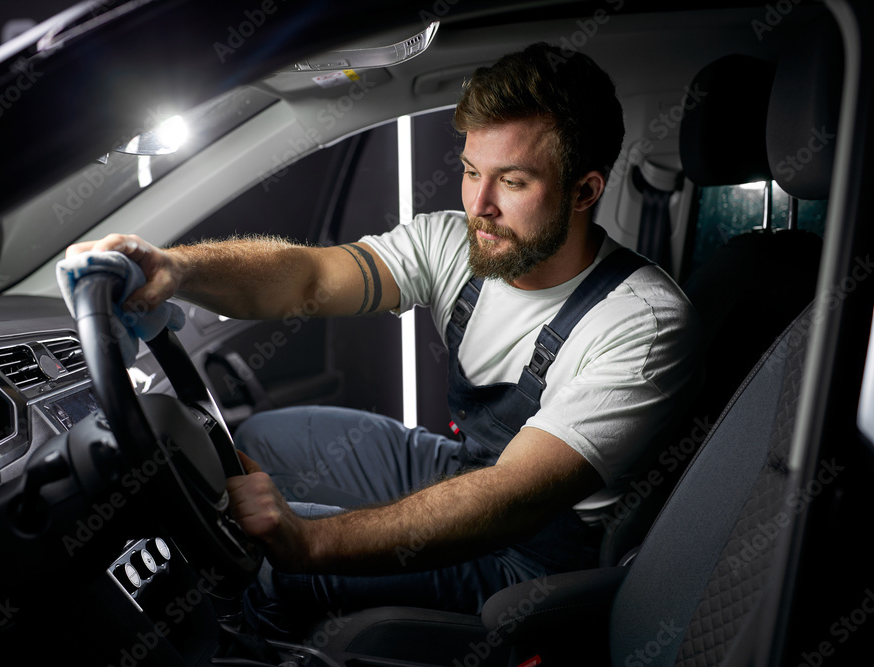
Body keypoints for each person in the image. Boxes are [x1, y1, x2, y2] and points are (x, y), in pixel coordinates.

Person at [66, 42, 699, 634]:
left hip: (531, 554)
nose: (480, 206)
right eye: (471, 170)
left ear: (585, 190)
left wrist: (307, 541)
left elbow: (514, 498)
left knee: (258, 561)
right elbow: (306, 276)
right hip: (463, 466)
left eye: (513, 182)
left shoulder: (641, 322)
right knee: (252, 441)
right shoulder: (455, 241)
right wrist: (178, 269)